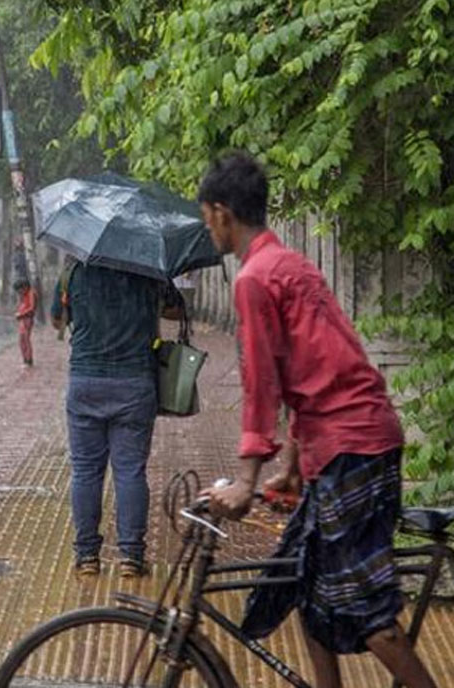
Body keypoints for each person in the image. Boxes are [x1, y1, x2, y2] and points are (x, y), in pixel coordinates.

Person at [198, 153, 436, 688]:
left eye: (206, 217)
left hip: (353, 446)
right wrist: (291, 465)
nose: (207, 227)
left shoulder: (254, 278)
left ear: (220, 212)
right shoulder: (290, 264)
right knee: (305, 587)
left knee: (369, 614)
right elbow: (316, 370)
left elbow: (262, 382)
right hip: (352, 437)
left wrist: (246, 480)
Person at [51, 252, 170, 578]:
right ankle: (131, 556)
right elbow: (174, 309)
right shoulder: (148, 268)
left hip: (86, 382)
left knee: (86, 471)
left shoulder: (73, 272)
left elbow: (57, 320)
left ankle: (87, 556)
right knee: (130, 471)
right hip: (135, 383)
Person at [12, 238, 35, 366]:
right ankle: (25, 358)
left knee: (25, 338)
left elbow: (31, 308)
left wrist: (21, 314)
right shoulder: (24, 295)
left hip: (26, 319)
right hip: (23, 318)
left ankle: (28, 359)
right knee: (22, 339)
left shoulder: (30, 293)